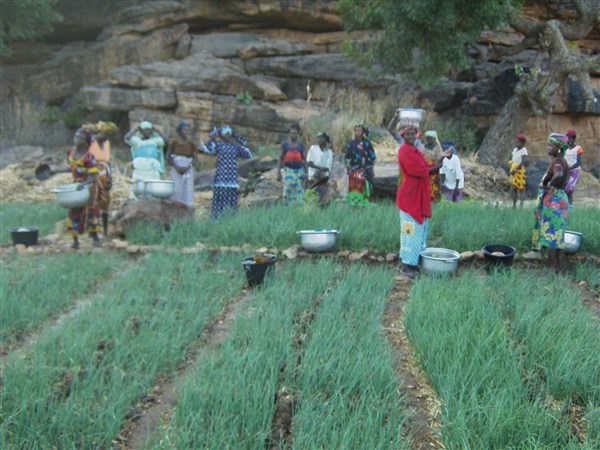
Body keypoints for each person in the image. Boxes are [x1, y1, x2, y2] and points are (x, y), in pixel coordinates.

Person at [396, 125, 449, 278]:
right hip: (410, 196)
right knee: (410, 229)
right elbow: (418, 171)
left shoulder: (415, 151)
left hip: (417, 193)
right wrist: (438, 166)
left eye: (413, 133)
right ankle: (408, 265)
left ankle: (413, 260)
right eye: (408, 134)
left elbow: (427, 165)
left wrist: (440, 160)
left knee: (418, 229)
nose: (412, 136)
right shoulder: (404, 151)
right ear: (403, 136)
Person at [532, 133, 570, 272]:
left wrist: (549, 186)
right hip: (560, 199)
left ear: (559, 147)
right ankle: (561, 268)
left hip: (553, 201)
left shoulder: (557, 162)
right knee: (558, 236)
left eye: (551, 145)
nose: (548, 148)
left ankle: (551, 270)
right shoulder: (563, 161)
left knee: (551, 237)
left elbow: (558, 174)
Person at [201, 125, 252, 220]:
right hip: (221, 177)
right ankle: (215, 222)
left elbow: (248, 154)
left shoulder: (235, 146)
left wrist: (237, 138)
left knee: (231, 203)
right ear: (221, 135)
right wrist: (210, 137)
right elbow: (205, 148)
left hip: (232, 179)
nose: (228, 135)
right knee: (219, 201)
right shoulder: (218, 144)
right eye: (226, 133)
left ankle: (229, 221)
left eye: (229, 133)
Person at [66, 128, 102, 249]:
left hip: (89, 187)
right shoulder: (70, 152)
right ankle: (75, 241)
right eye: (76, 137)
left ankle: (95, 238)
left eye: (80, 138)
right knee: (74, 211)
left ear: (86, 141)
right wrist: (55, 171)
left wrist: (83, 184)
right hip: (76, 185)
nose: (77, 140)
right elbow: (72, 168)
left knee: (90, 211)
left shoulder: (89, 156)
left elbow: (93, 176)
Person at [124, 121, 168, 199]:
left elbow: (166, 140)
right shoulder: (137, 141)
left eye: (149, 129)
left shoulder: (155, 141)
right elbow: (127, 137)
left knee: (153, 188)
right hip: (140, 168)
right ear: (141, 131)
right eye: (145, 129)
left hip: (152, 168)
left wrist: (157, 130)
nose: (147, 131)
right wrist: (135, 129)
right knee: (138, 188)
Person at [166, 121, 198, 208]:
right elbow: (168, 156)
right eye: (184, 130)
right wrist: (177, 167)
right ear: (179, 131)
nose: (187, 132)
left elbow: (195, 158)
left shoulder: (191, 144)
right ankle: (176, 208)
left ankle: (188, 209)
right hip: (176, 168)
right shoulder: (174, 142)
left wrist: (188, 166)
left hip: (187, 169)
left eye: (188, 130)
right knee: (177, 188)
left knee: (188, 189)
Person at [345, 123, 376, 206]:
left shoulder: (367, 143)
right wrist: (348, 165)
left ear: (363, 131)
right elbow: (346, 157)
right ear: (354, 131)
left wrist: (372, 169)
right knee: (356, 187)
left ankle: (366, 203)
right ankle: (355, 204)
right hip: (354, 168)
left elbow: (372, 156)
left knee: (367, 186)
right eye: (357, 130)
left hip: (366, 168)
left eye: (360, 130)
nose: (358, 132)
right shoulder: (351, 143)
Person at [88, 131, 111, 236]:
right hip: (94, 175)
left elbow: (107, 162)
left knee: (105, 204)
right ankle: (93, 232)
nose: (106, 136)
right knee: (93, 204)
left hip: (104, 177)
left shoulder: (106, 144)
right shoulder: (91, 143)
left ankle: (105, 230)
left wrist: (110, 178)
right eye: (104, 134)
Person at [277, 124, 306, 207]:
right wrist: (278, 172)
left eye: (295, 133)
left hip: (299, 171)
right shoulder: (284, 145)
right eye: (292, 133)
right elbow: (280, 158)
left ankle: (299, 210)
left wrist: (306, 173)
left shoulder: (301, 145)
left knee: (299, 191)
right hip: (288, 171)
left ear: (298, 134)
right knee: (287, 190)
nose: (293, 135)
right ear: (289, 134)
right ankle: (286, 208)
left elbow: (305, 160)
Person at [306, 131, 333, 204]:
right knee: (317, 174)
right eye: (318, 138)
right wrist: (319, 168)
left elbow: (328, 167)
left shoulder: (329, 152)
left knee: (326, 176)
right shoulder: (313, 148)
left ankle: (311, 187)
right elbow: (309, 163)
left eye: (321, 137)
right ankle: (312, 187)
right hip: (314, 172)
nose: (318, 139)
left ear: (325, 140)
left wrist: (321, 169)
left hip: (323, 174)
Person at [422, 130, 443, 203]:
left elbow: (440, 163)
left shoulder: (437, 148)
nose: (429, 140)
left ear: (434, 139)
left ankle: (434, 203)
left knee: (434, 188)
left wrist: (431, 169)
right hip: (424, 170)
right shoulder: (423, 147)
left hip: (434, 171)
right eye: (428, 138)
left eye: (431, 138)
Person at [564, 129, 583, 205]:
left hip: (574, 171)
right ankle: (567, 206)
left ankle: (570, 205)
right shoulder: (565, 148)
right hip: (566, 171)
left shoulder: (578, 148)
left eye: (569, 138)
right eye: (567, 138)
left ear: (574, 139)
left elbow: (578, 163)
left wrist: (569, 168)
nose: (568, 140)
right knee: (565, 188)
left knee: (569, 188)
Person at [509, 134, 528, 208]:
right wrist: (511, 167)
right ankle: (514, 204)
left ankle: (521, 204)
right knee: (513, 187)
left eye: (518, 142)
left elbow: (523, 161)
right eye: (516, 142)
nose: (516, 144)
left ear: (522, 143)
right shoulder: (514, 150)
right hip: (513, 170)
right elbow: (512, 159)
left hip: (520, 171)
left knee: (521, 187)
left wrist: (516, 169)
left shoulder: (524, 150)